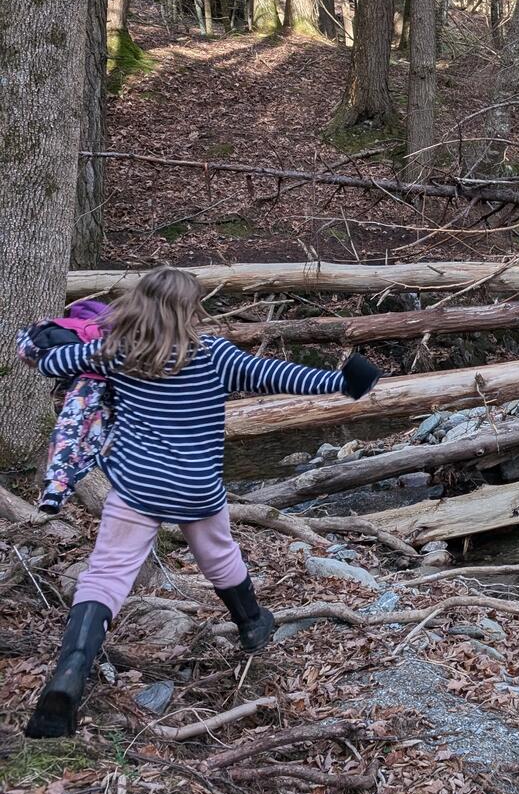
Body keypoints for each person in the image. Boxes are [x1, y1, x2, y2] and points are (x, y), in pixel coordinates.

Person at [18, 267, 383, 739]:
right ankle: (252, 625)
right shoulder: (214, 355)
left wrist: (50, 342)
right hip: (196, 486)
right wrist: (346, 381)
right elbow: (277, 375)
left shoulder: (114, 352)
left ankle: (68, 677)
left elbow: (52, 364)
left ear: (139, 305)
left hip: (137, 485)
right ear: (191, 310)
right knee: (219, 555)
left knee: (107, 574)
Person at [18, 298, 114, 513]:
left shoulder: (62, 328)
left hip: (85, 382)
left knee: (70, 428)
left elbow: (41, 360)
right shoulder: (108, 335)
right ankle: (63, 484)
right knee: (98, 433)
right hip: (101, 382)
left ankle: (56, 488)